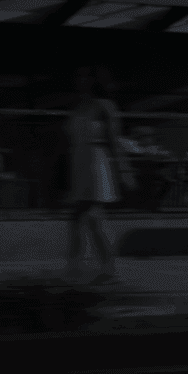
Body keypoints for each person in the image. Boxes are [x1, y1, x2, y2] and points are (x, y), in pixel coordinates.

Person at [64, 67, 129, 284]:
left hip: (95, 161)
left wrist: (123, 169)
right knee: (87, 219)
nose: (81, 80)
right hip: (79, 161)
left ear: (95, 80)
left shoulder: (104, 106)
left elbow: (114, 138)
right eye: (79, 76)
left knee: (84, 217)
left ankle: (82, 266)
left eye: (86, 76)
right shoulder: (79, 106)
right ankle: (100, 267)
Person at [122, 125, 174, 212]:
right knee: (157, 181)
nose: (150, 139)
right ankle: (149, 205)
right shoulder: (131, 145)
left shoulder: (148, 147)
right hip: (136, 173)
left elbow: (164, 155)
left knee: (167, 181)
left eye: (150, 136)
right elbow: (141, 154)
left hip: (148, 172)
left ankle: (153, 204)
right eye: (147, 136)